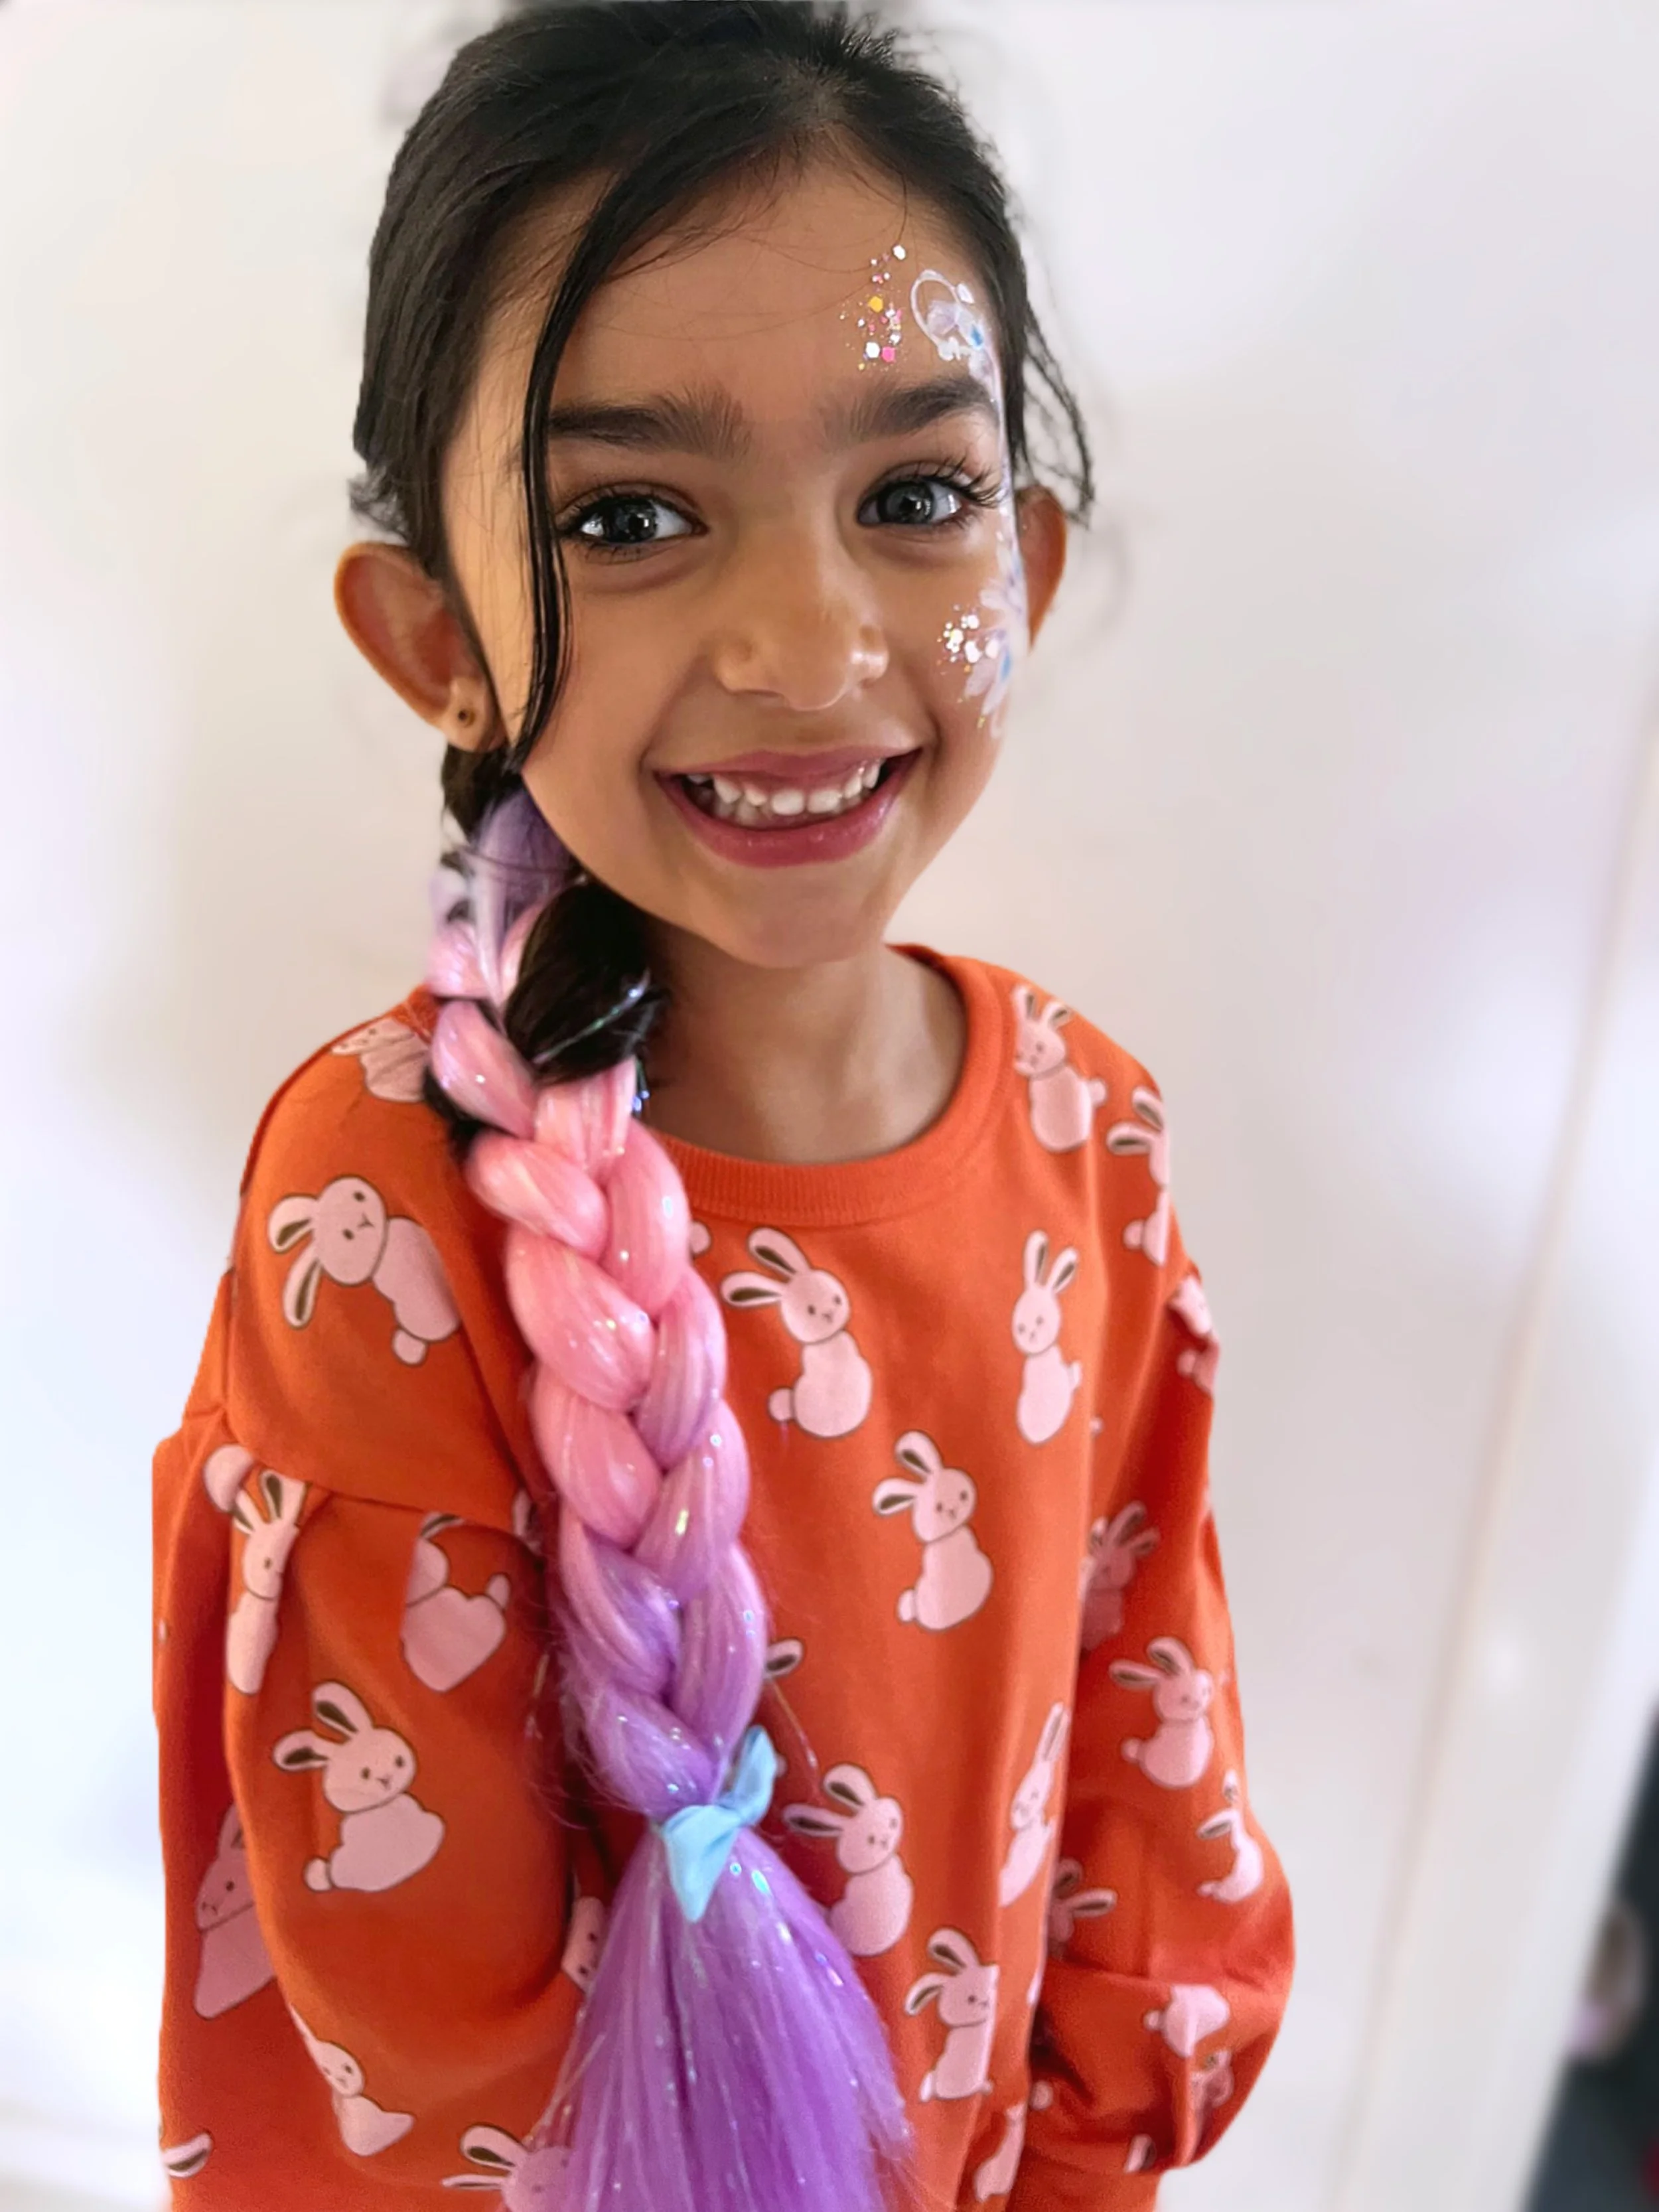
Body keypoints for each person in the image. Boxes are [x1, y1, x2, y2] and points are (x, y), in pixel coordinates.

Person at [150, 6, 1294, 2207]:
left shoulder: (1092, 1131)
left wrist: (1071, 2160)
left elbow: (1157, 1737)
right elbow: (421, 2023)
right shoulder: (383, 1213)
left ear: (1024, 577)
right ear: (436, 640)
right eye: (635, 512)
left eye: (917, 495)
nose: (804, 635)